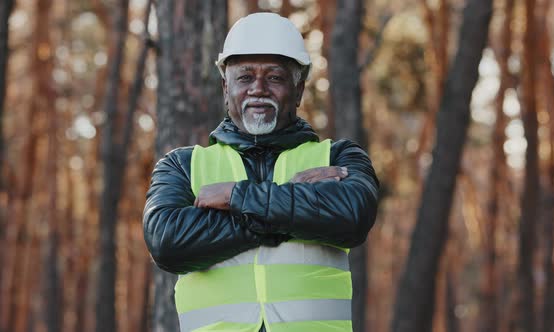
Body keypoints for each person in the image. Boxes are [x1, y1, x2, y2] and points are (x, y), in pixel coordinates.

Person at [143, 12, 379, 332]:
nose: (258, 88)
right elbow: (166, 242)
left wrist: (237, 196)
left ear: (298, 90)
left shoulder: (339, 156)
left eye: (274, 77)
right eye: (245, 77)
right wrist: (288, 207)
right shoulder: (180, 166)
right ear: (226, 88)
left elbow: (353, 215)